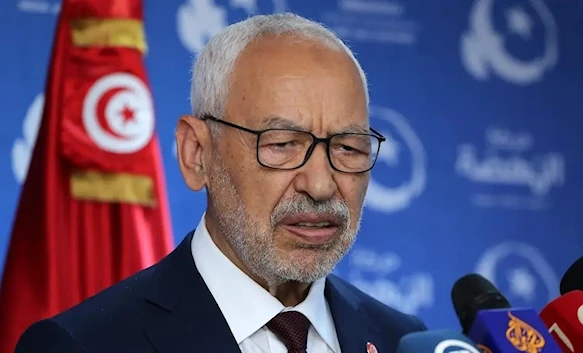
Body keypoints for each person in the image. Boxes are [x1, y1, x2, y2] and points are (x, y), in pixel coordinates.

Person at [15, 12, 427, 353]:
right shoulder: (85, 345)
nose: (320, 185)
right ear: (197, 153)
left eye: (348, 149)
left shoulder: (402, 340)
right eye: (282, 144)